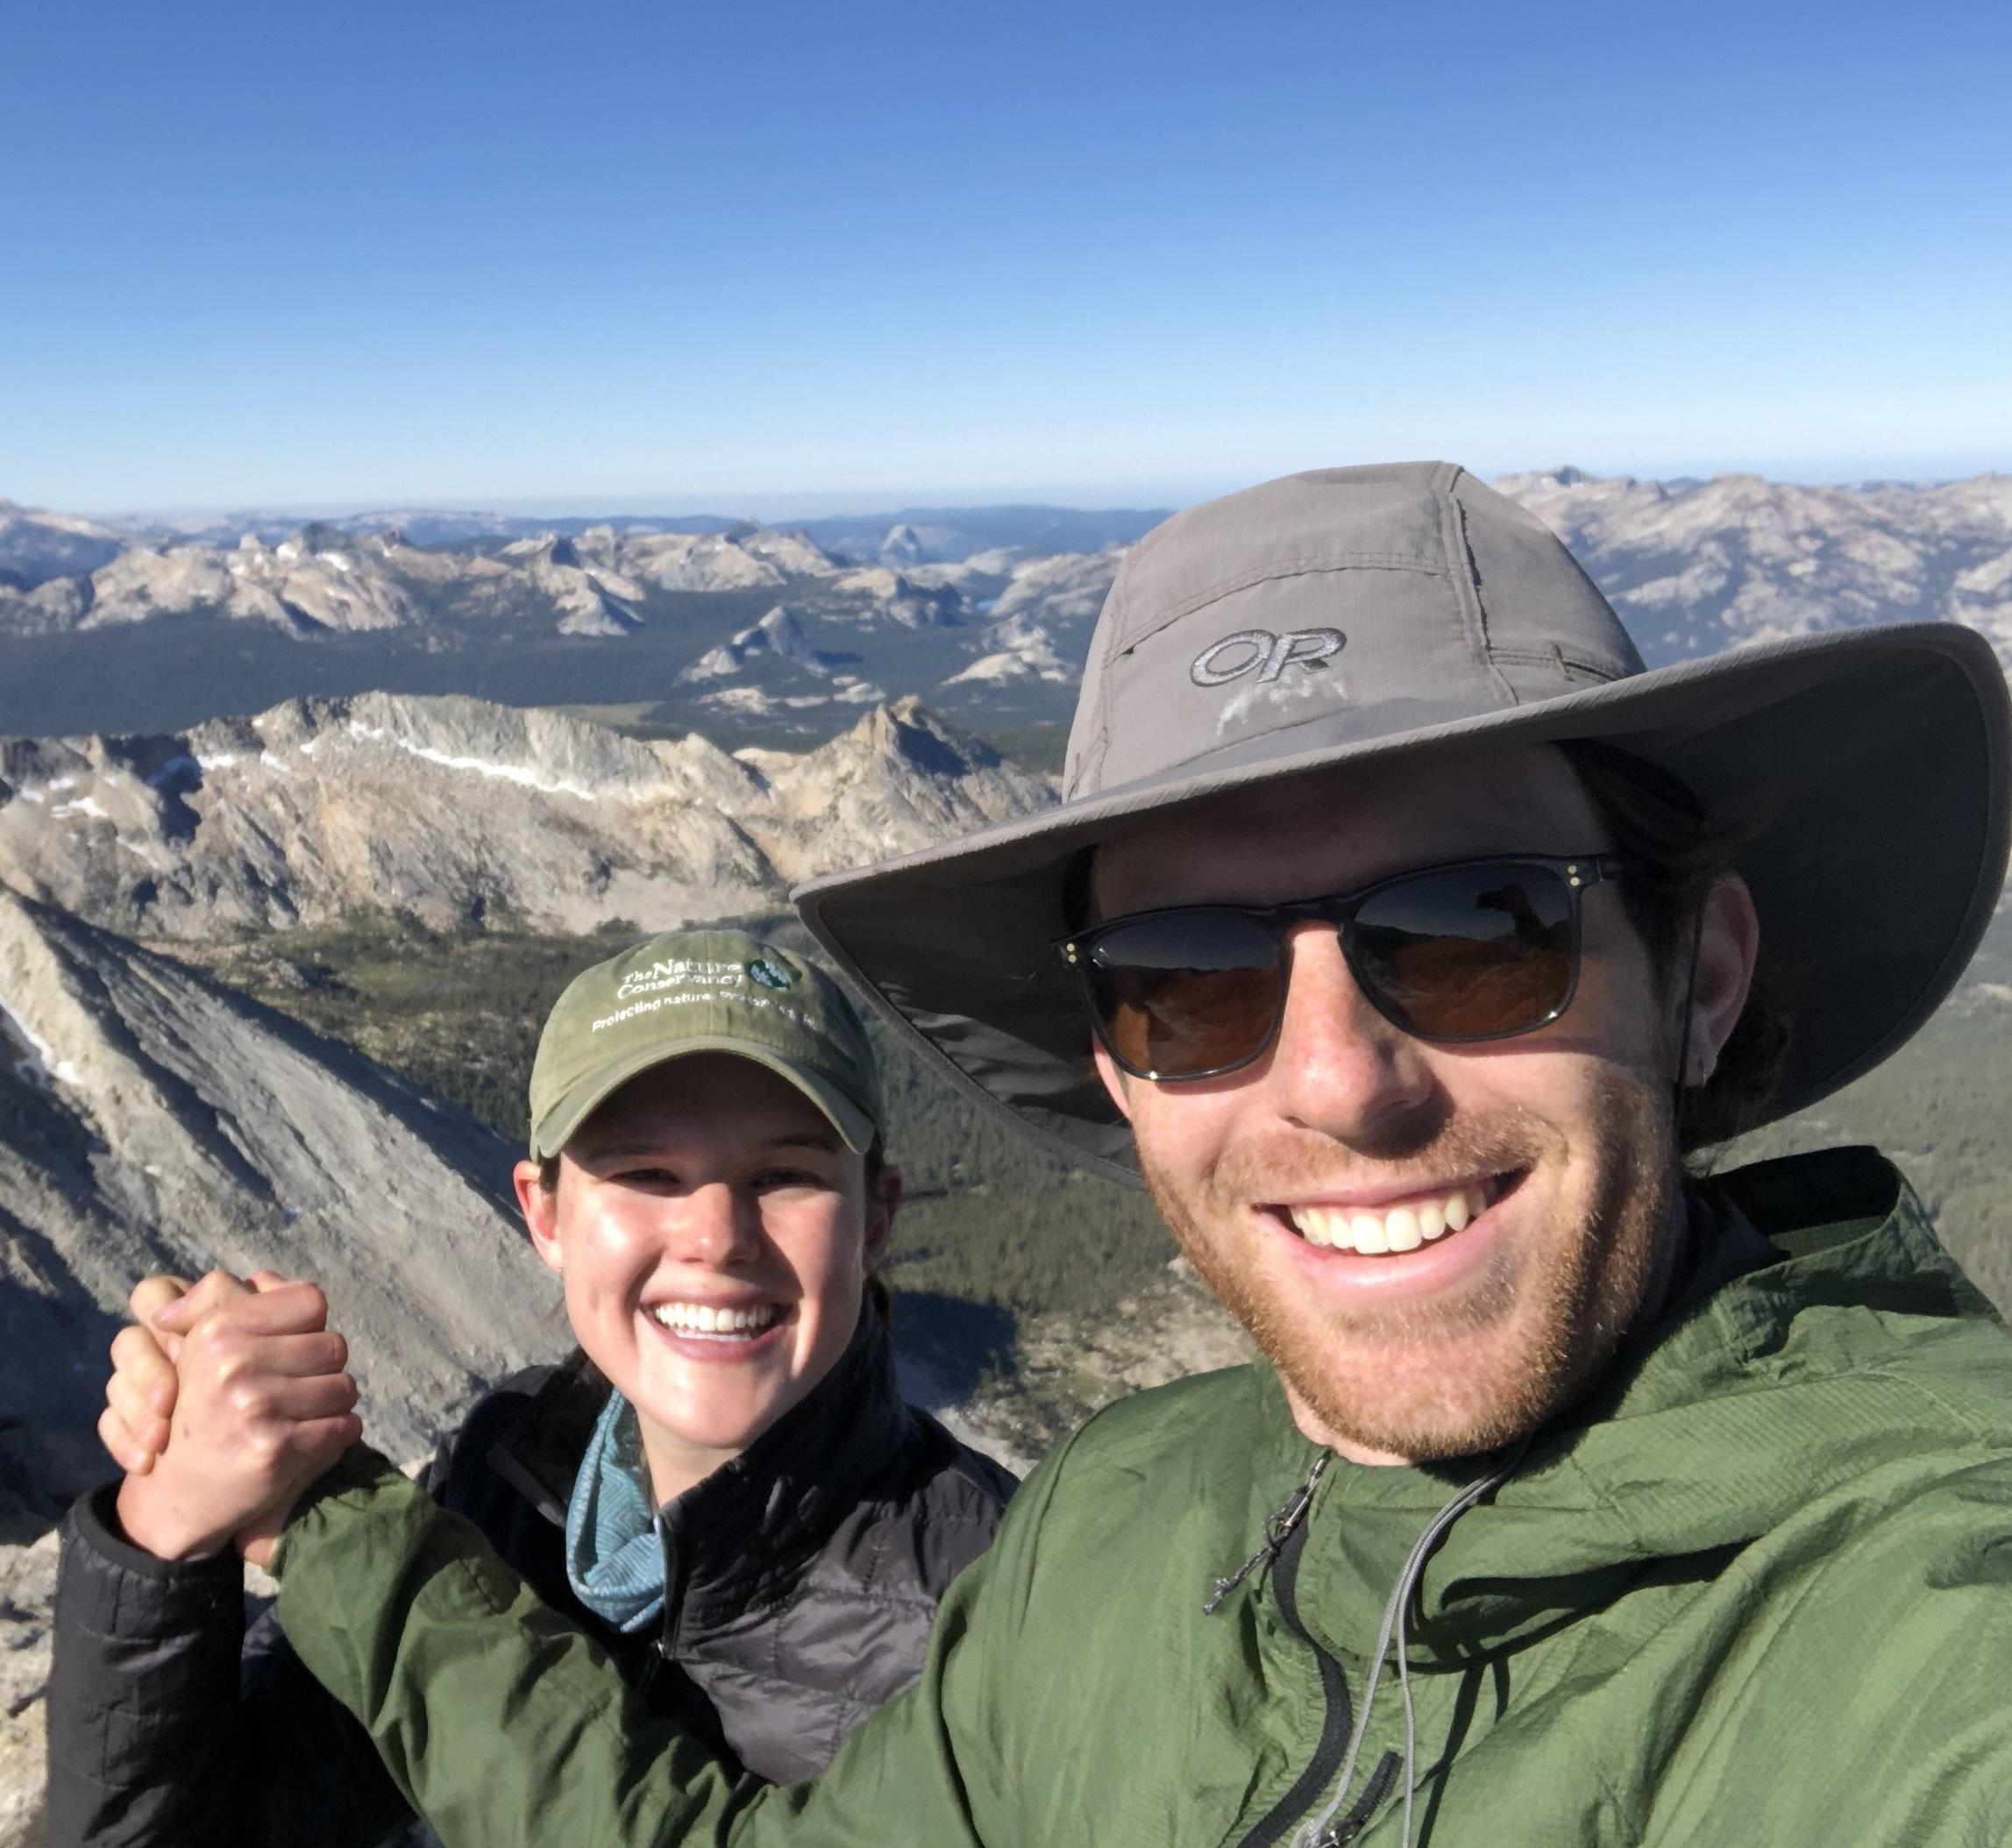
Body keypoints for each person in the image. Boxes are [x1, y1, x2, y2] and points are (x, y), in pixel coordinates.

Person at [73, 462, 2012, 1844]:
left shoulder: (1922, 1620)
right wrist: (309, 1515)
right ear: (1117, 1055)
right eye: (1189, 977)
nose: (1337, 1080)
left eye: (1479, 921)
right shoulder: (1114, 1532)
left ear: (1700, 974)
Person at [45, 927, 1016, 1845]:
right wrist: (165, 1535)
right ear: (543, 1216)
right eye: (647, 1173)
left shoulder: (994, 1608)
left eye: (784, 1176)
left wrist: (320, 1512)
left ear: (873, 1218)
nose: (718, 1237)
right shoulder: (512, 1470)